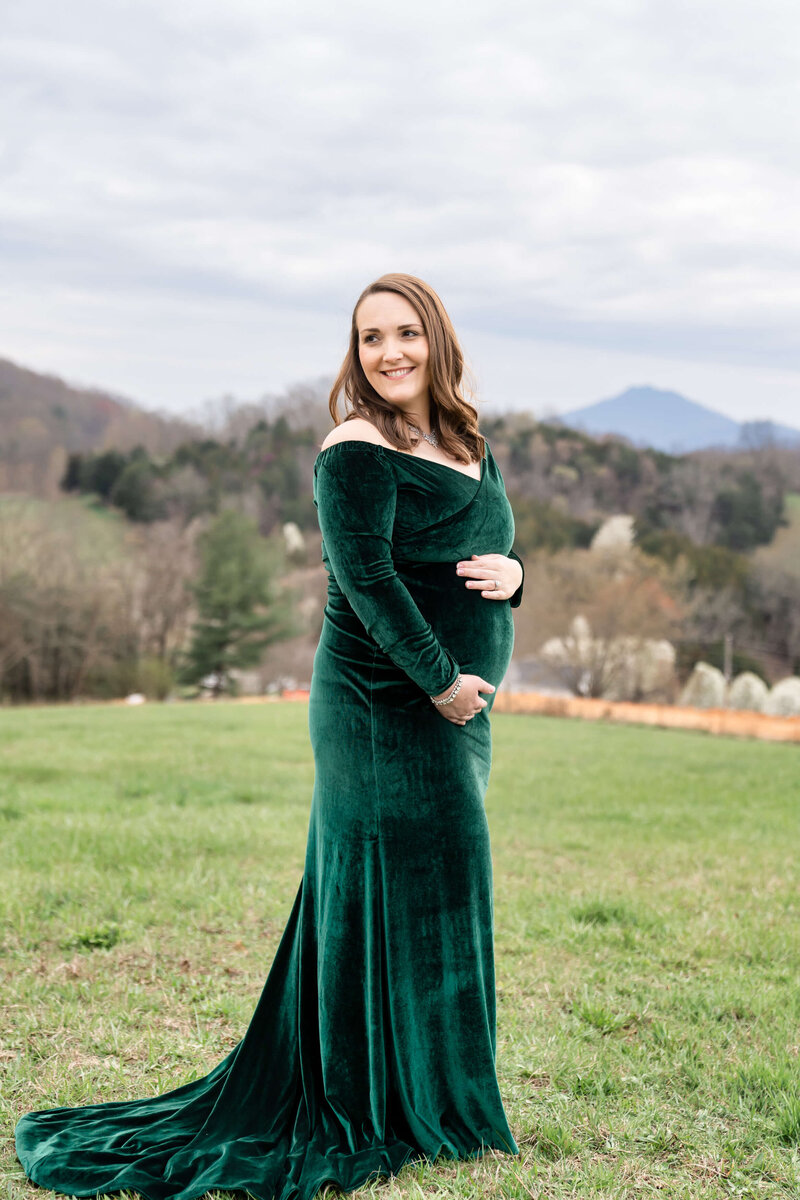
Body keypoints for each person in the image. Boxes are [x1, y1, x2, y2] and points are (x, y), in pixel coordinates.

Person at [15, 273, 524, 1200]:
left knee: (446, 883)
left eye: (406, 333)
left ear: (438, 339)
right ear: (356, 352)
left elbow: (489, 540)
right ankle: (376, 1097)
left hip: (458, 714)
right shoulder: (355, 449)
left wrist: (517, 573)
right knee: (384, 888)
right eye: (371, 338)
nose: (390, 352)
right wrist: (445, 682)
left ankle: (443, 1097)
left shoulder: (468, 437)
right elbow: (367, 584)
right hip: (382, 705)